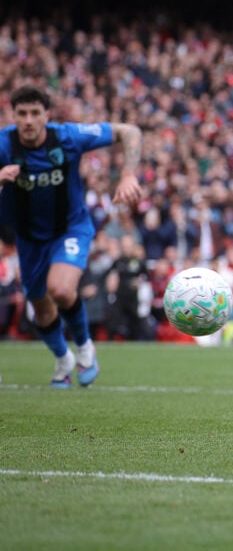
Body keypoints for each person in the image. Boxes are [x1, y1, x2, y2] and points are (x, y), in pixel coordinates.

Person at [0, 85, 142, 387]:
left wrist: (128, 174)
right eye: (21, 113)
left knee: (61, 290)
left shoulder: (67, 137)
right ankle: (63, 358)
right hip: (28, 238)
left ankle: (85, 347)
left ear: (46, 115)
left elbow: (129, 131)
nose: (28, 120)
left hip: (70, 228)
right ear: (13, 115)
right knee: (41, 309)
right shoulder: (3, 144)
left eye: (34, 113)